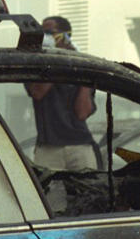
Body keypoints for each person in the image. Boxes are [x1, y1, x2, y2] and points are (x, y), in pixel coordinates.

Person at [25, 16, 97, 172]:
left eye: (50, 32)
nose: (45, 36)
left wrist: (81, 70)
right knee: (49, 194)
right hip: (48, 148)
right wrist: (56, 60)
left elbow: (82, 112)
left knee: (88, 193)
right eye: (42, 32)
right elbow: (38, 93)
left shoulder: (81, 66)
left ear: (65, 35)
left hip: (80, 146)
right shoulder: (37, 65)